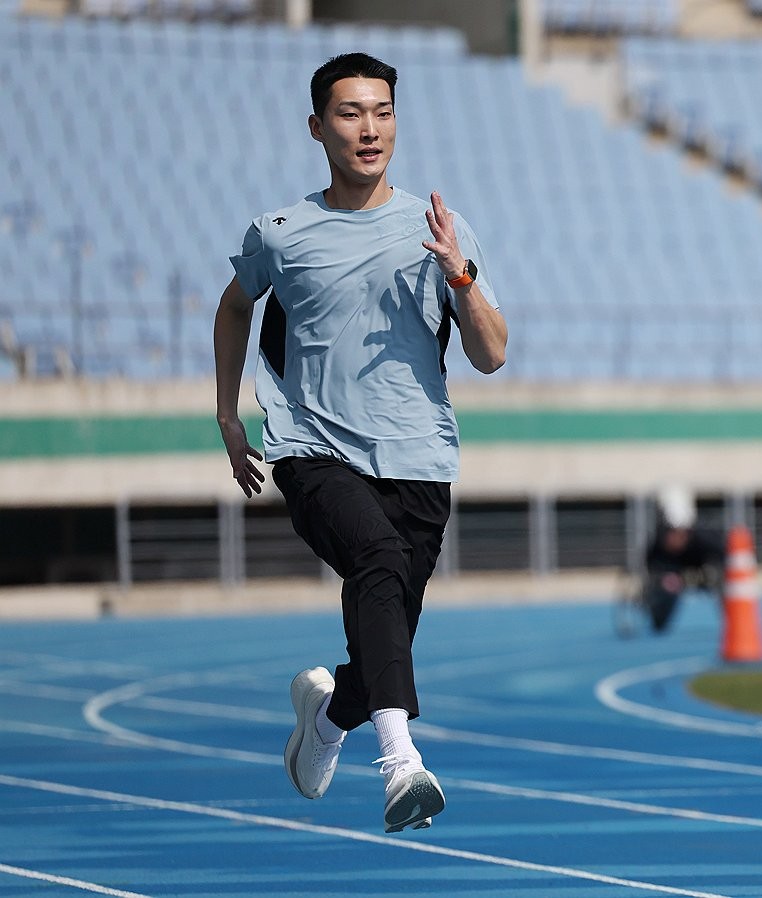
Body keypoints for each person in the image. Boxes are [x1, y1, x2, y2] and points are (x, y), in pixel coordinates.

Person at [212, 52, 507, 834]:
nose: (368, 127)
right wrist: (228, 414)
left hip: (420, 459)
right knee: (374, 562)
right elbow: (234, 308)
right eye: (349, 112)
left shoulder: (438, 226)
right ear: (318, 127)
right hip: (313, 451)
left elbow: (492, 354)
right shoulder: (281, 233)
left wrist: (462, 277)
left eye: (381, 111)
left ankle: (326, 721)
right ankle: (401, 764)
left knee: (384, 641)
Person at [640, 486, 725, 633]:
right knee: (665, 589)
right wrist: (662, 578)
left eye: (681, 533)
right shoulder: (659, 542)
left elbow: (722, 554)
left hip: (699, 568)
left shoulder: (703, 538)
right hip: (672, 571)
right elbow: (651, 562)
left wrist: (714, 573)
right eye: (672, 532)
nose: (676, 537)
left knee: (723, 584)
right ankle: (658, 621)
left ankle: (731, 620)